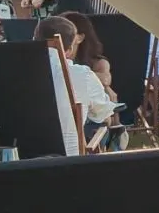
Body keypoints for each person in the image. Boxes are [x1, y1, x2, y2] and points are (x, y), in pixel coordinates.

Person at [33, 14, 116, 142]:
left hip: (19, 152)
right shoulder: (82, 74)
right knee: (104, 122)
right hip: (68, 152)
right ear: (70, 49)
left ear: (34, 40)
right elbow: (103, 114)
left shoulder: (15, 71)